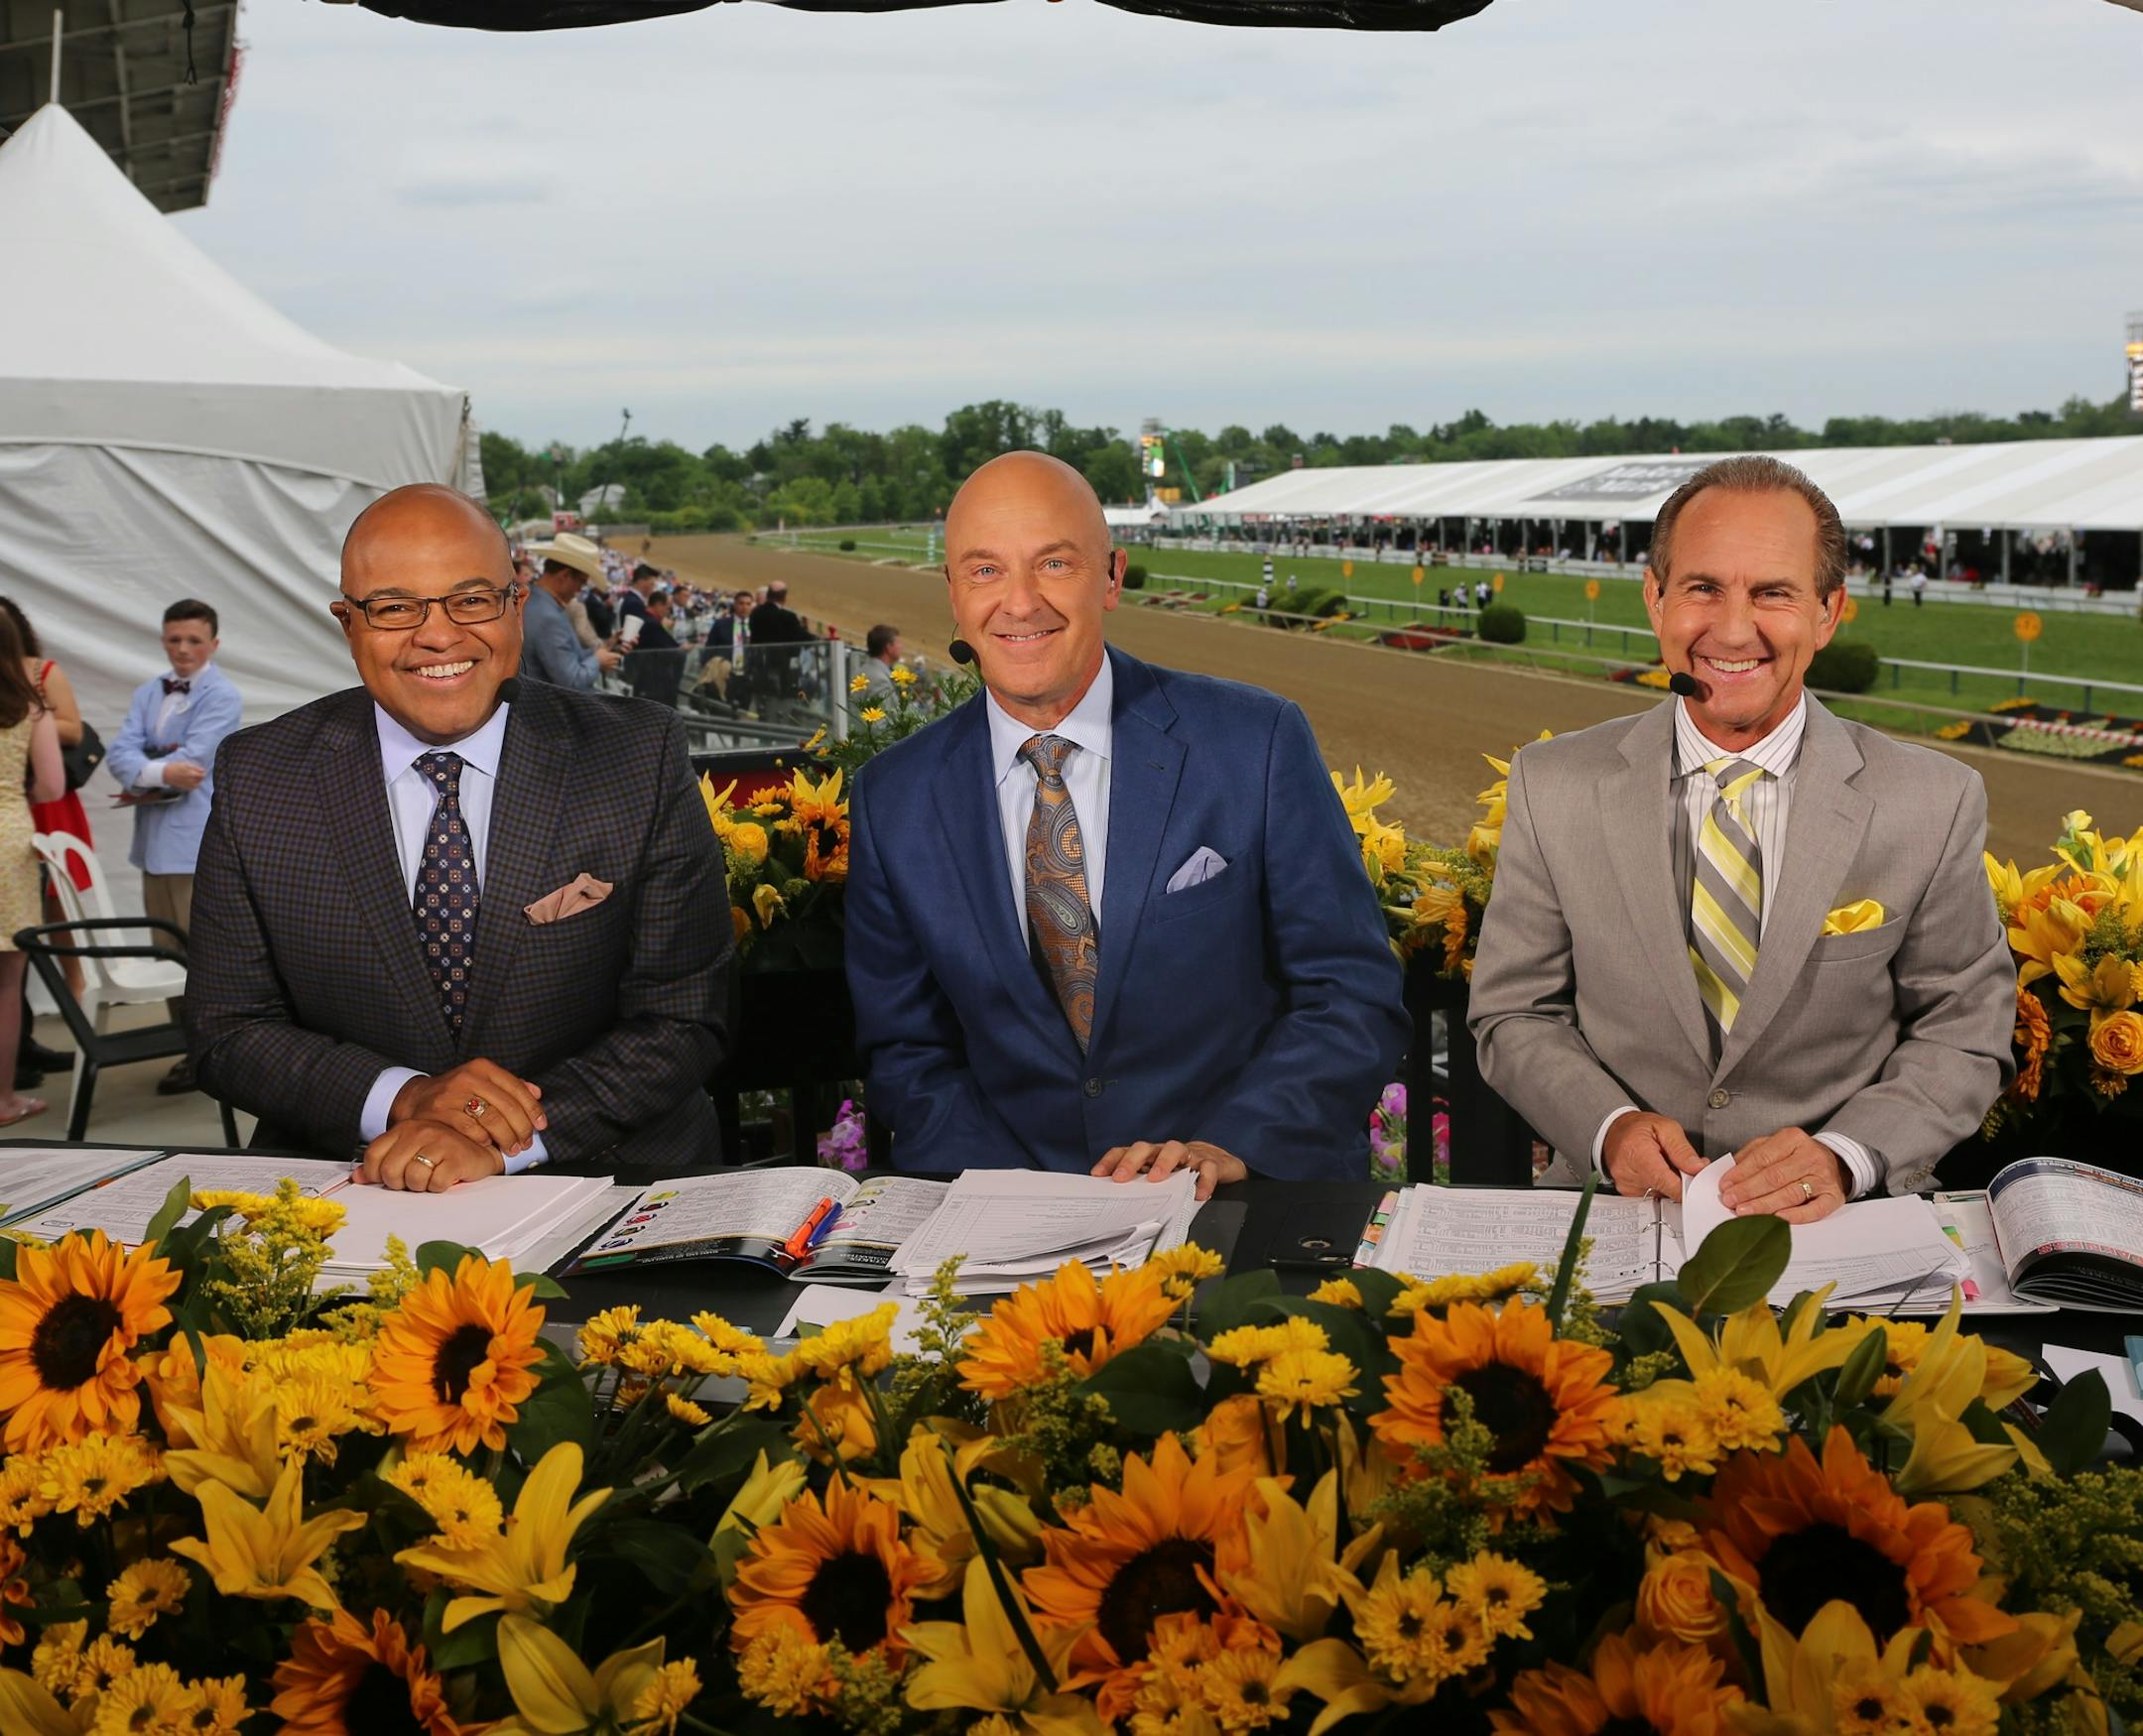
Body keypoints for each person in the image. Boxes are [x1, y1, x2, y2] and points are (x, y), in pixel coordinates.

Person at [844, 452, 1409, 1198]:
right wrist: (1014, 1197)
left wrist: (1231, 1144)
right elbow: (907, 1051)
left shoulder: (1256, 741)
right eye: (984, 571)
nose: (1019, 602)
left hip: (1243, 1207)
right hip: (1008, 1231)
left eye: (1053, 563)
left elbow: (1351, 990)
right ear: (952, 592)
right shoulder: (894, 797)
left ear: (1111, 576)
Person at [1468, 455, 2013, 1221]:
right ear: (1655, 599)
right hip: (1616, 1212)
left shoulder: (1934, 800)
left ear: (1828, 612)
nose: (1731, 629)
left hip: (1841, 1221)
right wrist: (1608, 1128)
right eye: (1702, 588)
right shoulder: (1550, 782)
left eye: (1772, 594)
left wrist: (1847, 1155)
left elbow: (1965, 1028)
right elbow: (1513, 1011)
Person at [189, 484, 731, 1188]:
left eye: (471, 600)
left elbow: (685, 1017)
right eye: (393, 608)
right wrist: (406, 1099)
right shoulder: (258, 776)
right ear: (347, 623)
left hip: (610, 1185)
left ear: (515, 604)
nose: (439, 635)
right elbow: (227, 1030)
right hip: (352, 1199)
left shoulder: (636, 756)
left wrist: (498, 1139)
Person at [105, 598, 244, 1094]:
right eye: (174, 639)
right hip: (153, 843)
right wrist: (160, 769)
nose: (183, 649)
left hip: (193, 842)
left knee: (195, 953)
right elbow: (119, 752)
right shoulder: (149, 691)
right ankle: (184, 1046)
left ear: (214, 644)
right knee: (166, 949)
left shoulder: (222, 695)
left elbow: (197, 763)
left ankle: (206, 1052)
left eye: (194, 640)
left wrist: (149, 763)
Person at [0, 596, 92, 1035]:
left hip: (44, 803)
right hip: (17, 805)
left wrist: (18, 715)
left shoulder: (41, 674)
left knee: (58, 906)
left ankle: (76, 992)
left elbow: (73, 728)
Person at [0, 608, 64, 1126]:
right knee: (6, 981)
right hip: (9, 839)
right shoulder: (29, 709)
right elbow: (51, 787)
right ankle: (3, 1099)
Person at [522, 535, 622, 690]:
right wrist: (597, 660)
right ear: (565, 576)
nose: (580, 589)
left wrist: (606, 647)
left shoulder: (538, 602)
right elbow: (571, 681)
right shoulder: (548, 617)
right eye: (581, 582)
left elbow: (568, 657)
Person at [626, 590, 685, 708]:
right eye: (667, 608)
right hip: (654, 686)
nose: (667, 612)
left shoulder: (646, 619)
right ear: (658, 605)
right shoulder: (652, 624)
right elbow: (672, 649)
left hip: (644, 682)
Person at [856, 624, 902, 705]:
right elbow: (884, 716)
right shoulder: (880, 680)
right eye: (898, 643)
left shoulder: (864, 670)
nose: (901, 646)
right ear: (888, 648)